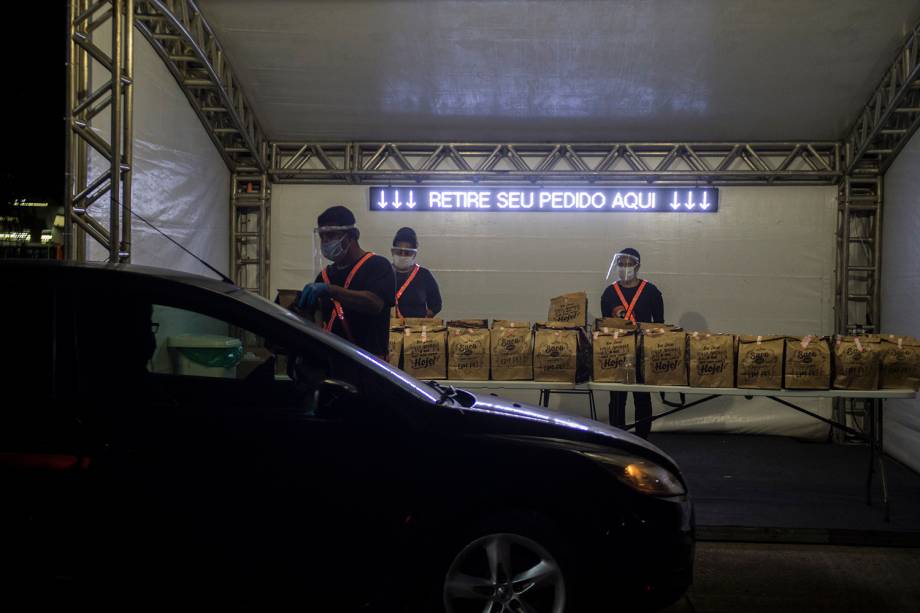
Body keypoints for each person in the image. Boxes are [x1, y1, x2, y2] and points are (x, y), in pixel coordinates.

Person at [298, 206, 395, 359]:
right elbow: (318, 321)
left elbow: (374, 303)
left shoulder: (377, 266)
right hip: (333, 364)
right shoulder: (324, 276)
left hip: (370, 366)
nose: (325, 242)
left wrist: (332, 290)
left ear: (351, 236)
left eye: (331, 235)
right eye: (322, 236)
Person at [600, 248, 664, 439]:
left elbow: (659, 324)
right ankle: (617, 438)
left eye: (629, 263)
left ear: (638, 266)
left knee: (642, 396)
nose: (624, 267)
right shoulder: (609, 292)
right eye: (621, 263)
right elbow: (606, 325)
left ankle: (642, 439)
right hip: (617, 352)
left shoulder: (651, 291)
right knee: (617, 398)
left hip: (642, 350)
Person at [390, 227, 442, 319]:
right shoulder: (384, 272)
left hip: (415, 330)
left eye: (407, 253)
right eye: (399, 252)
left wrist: (421, 322)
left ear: (414, 254)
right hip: (388, 328)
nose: (402, 256)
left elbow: (436, 305)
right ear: (393, 252)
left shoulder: (424, 275)